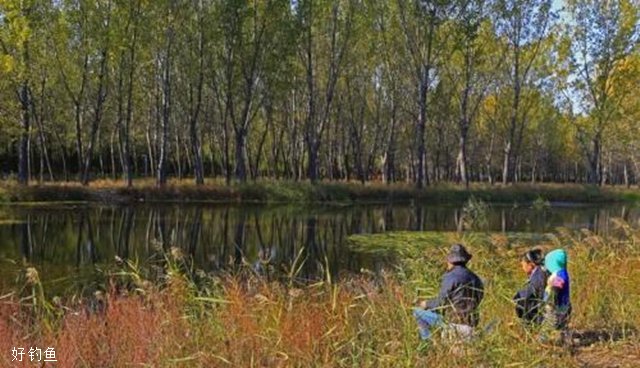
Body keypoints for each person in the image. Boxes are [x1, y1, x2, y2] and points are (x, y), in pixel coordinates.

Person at [413, 244, 484, 341]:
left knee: (418, 313)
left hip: (454, 324)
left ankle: (427, 344)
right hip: (471, 324)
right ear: (466, 260)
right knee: (432, 312)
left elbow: (441, 302)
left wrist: (426, 303)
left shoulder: (450, 276)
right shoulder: (476, 278)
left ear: (450, 261)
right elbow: (479, 298)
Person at [513, 248, 548, 325]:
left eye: (523, 264)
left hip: (539, 316)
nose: (523, 268)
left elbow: (532, 292)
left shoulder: (538, 276)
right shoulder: (541, 272)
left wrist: (516, 297)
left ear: (530, 264)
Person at [542, 249, 571, 332]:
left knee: (549, 324)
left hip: (557, 306)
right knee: (562, 325)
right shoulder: (561, 272)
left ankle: (543, 340)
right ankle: (565, 340)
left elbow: (556, 288)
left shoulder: (559, 274)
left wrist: (550, 301)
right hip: (564, 304)